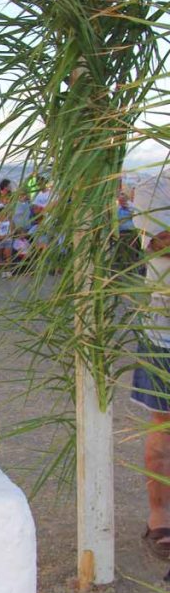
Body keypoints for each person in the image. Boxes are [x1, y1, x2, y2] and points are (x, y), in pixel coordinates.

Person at [131, 176, 170, 562]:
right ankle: (160, 518)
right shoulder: (156, 183)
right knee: (164, 428)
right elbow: (159, 243)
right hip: (166, 329)